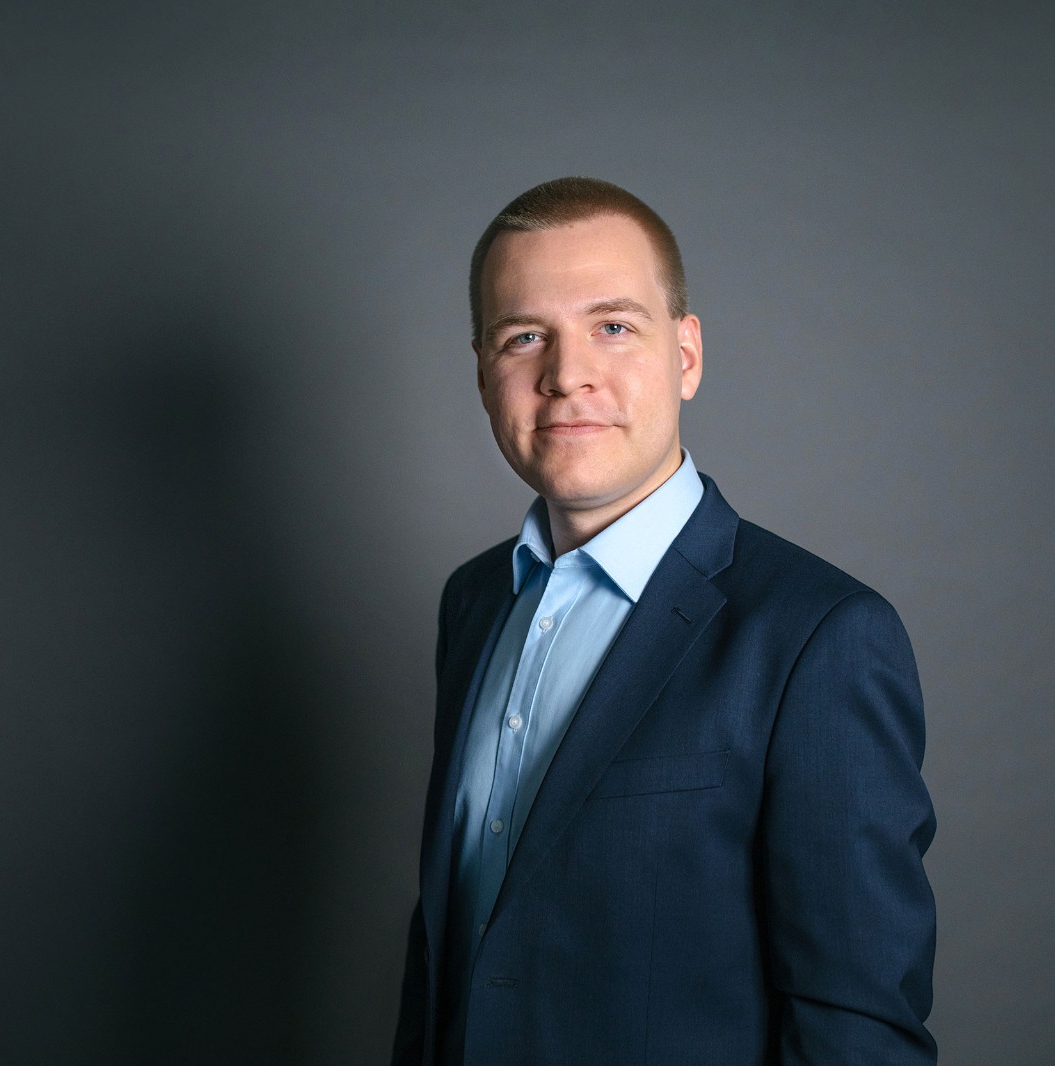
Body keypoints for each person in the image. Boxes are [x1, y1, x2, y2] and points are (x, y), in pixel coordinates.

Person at [392, 177, 937, 1065]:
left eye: (612, 326)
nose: (566, 374)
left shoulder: (820, 638)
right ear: (484, 372)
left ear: (686, 356)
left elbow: (857, 1031)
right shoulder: (475, 601)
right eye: (524, 336)